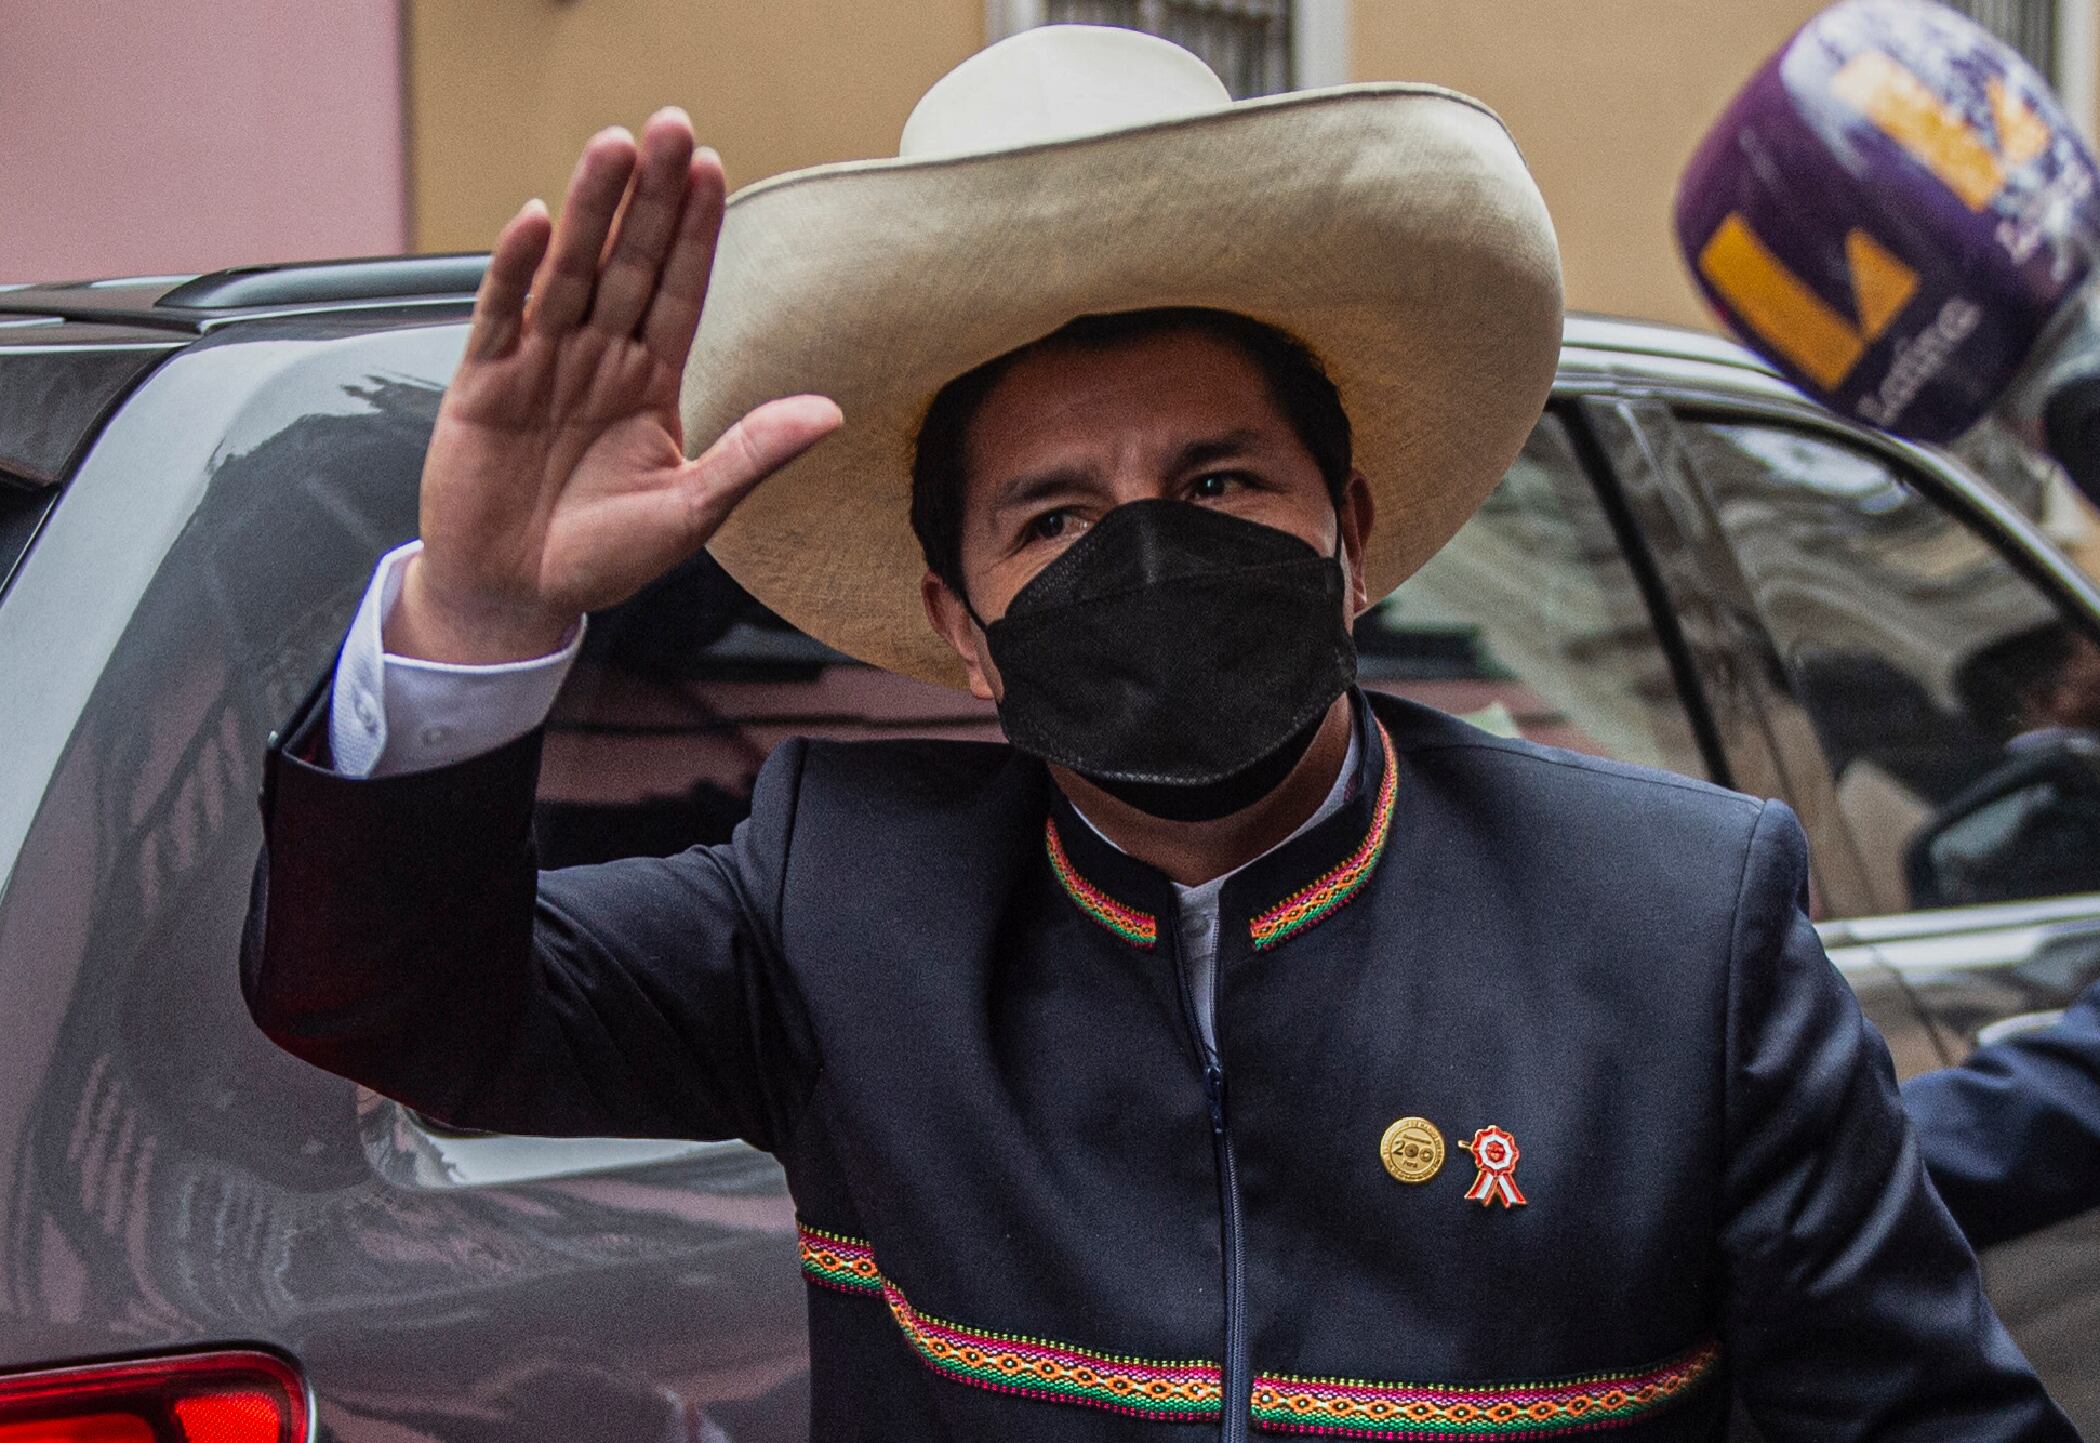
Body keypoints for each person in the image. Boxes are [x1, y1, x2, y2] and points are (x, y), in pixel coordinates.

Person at [240, 26, 2077, 1442]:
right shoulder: (835, 903)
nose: (1147, 555)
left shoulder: (1677, 929)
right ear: (962, 630)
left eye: (1217, 481)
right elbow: (398, 1007)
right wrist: (480, 610)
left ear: (1351, 536)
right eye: (1051, 521)